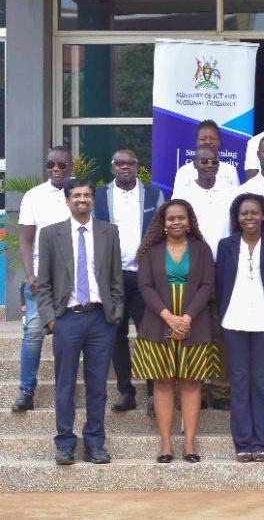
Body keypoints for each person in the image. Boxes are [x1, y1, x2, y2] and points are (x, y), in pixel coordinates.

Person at [35, 178, 124, 465]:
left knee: (98, 386)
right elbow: (44, 282)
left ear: (93, 200)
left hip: (101, 319)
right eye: (76, 195)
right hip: (67, 320)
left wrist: (116, 314)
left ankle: (95, 444)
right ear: (67, 200)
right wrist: (51, 320)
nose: (82, 199)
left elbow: (115, 278)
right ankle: (65, 444)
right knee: (65, 384)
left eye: (87, 195)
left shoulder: (109, 232)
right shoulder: (51, 234)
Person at [132, 199, 221, 463]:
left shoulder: (201, 249)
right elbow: (145, 287)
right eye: (171, 218)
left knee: (192, 383)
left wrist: (186, 318)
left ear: (189, 220)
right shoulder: (150, 251)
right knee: (162, 382)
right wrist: (170, 317)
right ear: (163, 222)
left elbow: (207, 285)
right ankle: (166, 444)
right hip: (158, 321)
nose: (176, 222)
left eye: (181, 218)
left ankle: (190, 444)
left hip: (195, 322)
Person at [215, 193, 264, 463]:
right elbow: (219, 284)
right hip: (233, 321)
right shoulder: (226, 245)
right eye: (244, 213)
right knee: (239, 382)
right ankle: (243, 443)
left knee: (260, 382)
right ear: (237, 217)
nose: (249, 217)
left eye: (254, 213)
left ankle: (260, 443)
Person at [95, 150, 166, 415]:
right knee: (117, 335)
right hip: (112, 277)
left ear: (138, 167)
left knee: (149, 336)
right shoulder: (100, 195)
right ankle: (126, 391)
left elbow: (162, 233)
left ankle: (151, 393)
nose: (125, 167)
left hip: (144, 277)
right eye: (119, 163)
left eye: (130, 163)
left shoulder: (153, 194)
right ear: (112, 168)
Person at [12, 145, 73, 413]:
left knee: (69, 335)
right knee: (34, 332)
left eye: (61, 164)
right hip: (42, 278)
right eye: (51, 165)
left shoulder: (80, 193)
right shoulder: (33, 196)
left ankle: (66, 390)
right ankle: (26, 390)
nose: (56, 169)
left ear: (71, 166)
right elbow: (25, 241)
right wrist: (30, 275)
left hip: (73, 280)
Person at [173, 145, 235, 260]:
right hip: (194, 261)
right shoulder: (183, 195)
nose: (210, 165)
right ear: (195, 165)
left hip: (225, 262)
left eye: (215, 162)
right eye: (204, 162)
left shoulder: (231, 192)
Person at [173, 120, 241, 190]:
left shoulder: (230, 171)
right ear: (196, 142)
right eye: (203, 139)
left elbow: (237, 199)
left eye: (212, 138)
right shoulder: (183, 172)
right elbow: (178, 200)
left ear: (219, 141)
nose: (208, 142)